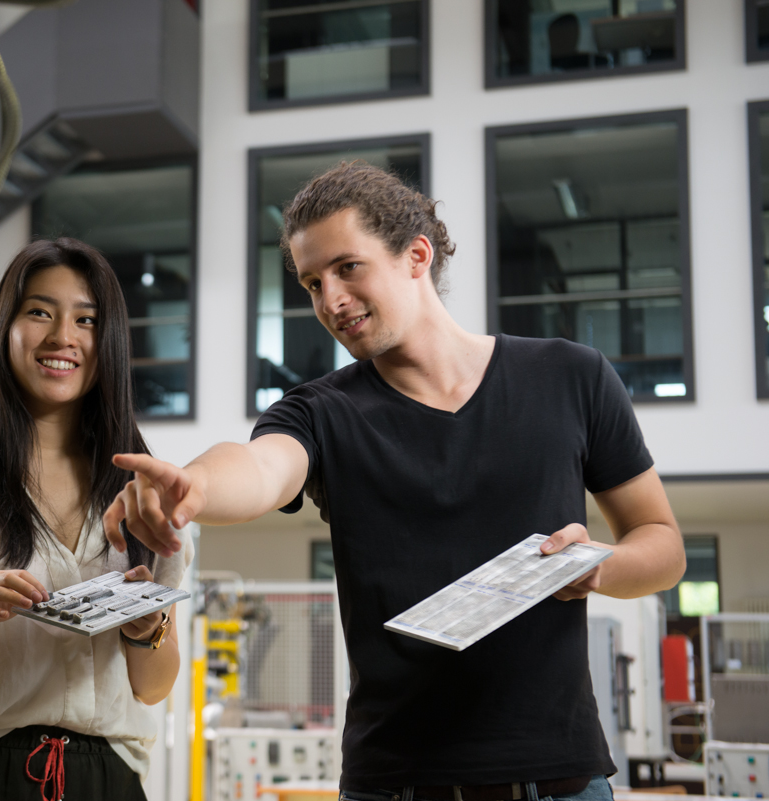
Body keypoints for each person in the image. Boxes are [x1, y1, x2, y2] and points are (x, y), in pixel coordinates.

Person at [103, 163, 685, 801]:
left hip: (561, 781)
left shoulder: (571, 376)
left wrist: (597, 566)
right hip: (397, 786)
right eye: (311, 283)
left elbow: (661, 545)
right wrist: (195, 485)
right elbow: (263, 467)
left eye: (347, 268)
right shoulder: (319, 412)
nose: (329, 301)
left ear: (416, 256)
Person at [0, 238, 192, 801]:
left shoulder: (144, 488)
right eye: (39, 312)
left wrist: (149, 629)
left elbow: (154, 687)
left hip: (107, 781)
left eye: (86, 320)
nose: (62, 337)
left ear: (110, 339)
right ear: (6, 328)